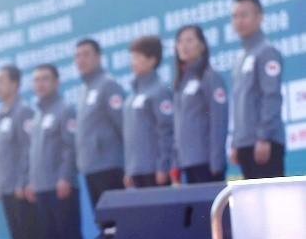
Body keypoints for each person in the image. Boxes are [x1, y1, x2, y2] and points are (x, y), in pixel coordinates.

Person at [26, 64, 85, 239]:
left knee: (67, 232)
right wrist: (31, 181)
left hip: (61, 184)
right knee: (49, 236)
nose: (40, 84)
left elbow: (70, 147)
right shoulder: (38, 114)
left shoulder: (65, 109)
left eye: (45, 79)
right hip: (41, 186)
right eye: (37, 80)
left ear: (56, 82)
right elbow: (34, 153)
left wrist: (66, 177)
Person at [0, 65, 44, 239]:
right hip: (6, 188)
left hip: (20, 188)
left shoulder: (23, 111)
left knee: (29, 236)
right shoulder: (2, 113)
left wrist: (23, 180)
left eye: (2, 81)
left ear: (15, 84)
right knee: (18, 237)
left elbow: (27, 149)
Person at [230, 0, 285, 178]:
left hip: (264, 143)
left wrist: (264, 136)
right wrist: (236, 142)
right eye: (235, 16)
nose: (239, 21)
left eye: (244, 15)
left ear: (259, 17)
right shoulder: (240, 58)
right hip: (245, 144)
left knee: (273, 203)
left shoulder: (266, 51)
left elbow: (271, 96)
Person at [172, 25, 228, 183]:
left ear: (202, 45)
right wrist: (176, 162)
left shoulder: (210, 77)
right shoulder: (180, 82)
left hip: (207, 162)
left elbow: (219, 121)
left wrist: (217, 160)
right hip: (186, 163)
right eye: (180, 41)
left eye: (189, 40)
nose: (183, 46)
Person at [74, 38, 125, 211]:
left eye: (86, 55)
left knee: (115, 219)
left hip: (109, 166)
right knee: (102, 221)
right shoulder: (83, 90)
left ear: (98, 57)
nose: (81, 60)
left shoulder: (108, 84)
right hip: (91, 167)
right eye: (77, 56)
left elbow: (122, 125)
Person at [122, 35, 175, 189]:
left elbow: (166, 130)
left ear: (152, 60)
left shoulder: (159, 91)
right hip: (136, 170)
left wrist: (163, 165)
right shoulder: (131, 97)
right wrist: (129, 169)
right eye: (132, 57)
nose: (133, 62)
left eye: (138, 57)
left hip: (155, 170)